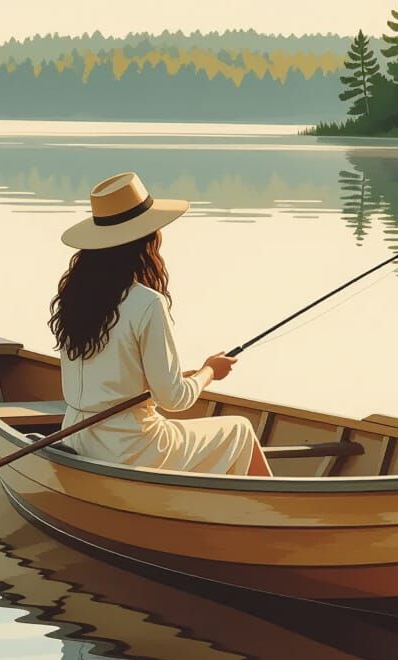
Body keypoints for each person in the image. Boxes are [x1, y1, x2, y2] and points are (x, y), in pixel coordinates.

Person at [49, 171, 271, 477]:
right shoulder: (147, 303)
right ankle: (267, 516)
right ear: (146, 240)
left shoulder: (73, 297)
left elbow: (116, 381)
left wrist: (184, 376)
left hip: (75, 437)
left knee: (223, 430)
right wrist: (209, 372)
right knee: (240, 429)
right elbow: (174, 400)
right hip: (131, 449)